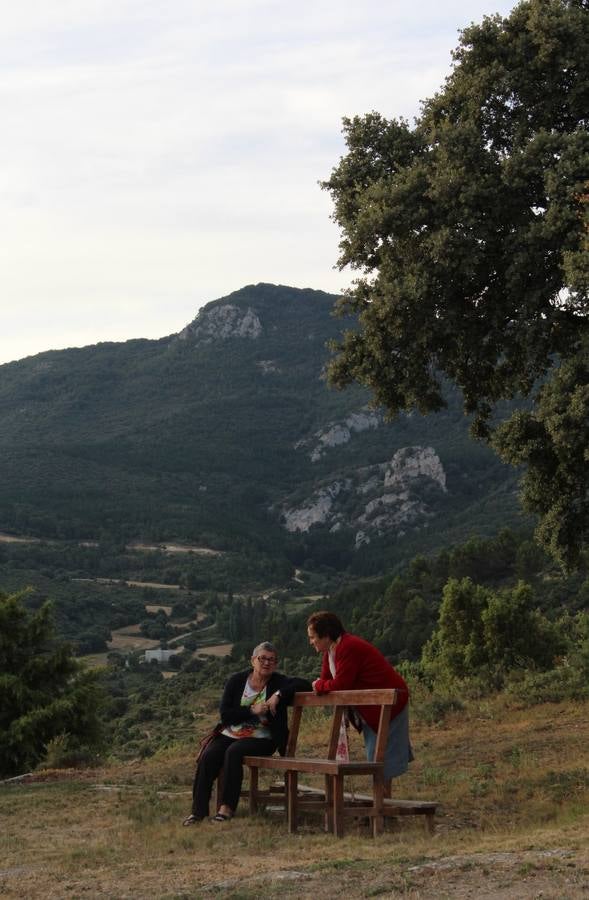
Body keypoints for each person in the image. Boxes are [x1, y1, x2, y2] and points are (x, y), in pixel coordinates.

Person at [183, 641, 311, 823]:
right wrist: (252, 711)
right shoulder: (236, 681)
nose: (267, 663)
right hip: (231, 733)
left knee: (233, 752)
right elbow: (226, 715)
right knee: (209, 755)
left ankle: (226, 808)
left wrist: (279, 694)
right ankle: (198, 812)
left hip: (263, 738)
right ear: (253, 660)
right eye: (263, 659)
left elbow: (304, 684)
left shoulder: (278, 682)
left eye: (272, 660)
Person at [307, 611, 413, 790]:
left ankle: (381, 807)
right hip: (373, 705)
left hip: (388, 704)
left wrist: (320, 686)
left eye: (313, 637)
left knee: (381, 757)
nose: (311, 642)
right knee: (376, 755)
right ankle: (380, 805)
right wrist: (321, 685)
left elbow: (340, 684)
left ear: (326, 636)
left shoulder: (348, 647)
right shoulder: (331, 652)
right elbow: (326, 680)